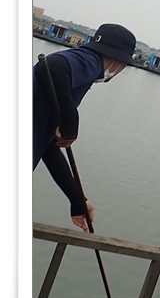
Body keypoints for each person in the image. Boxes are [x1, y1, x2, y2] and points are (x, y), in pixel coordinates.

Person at [33, 23, 137, 232]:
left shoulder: (76, 78)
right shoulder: (91, 61)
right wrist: (71, 119)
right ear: (118, 61)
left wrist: (77, 199)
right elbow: (52, 65)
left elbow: (49, 147)